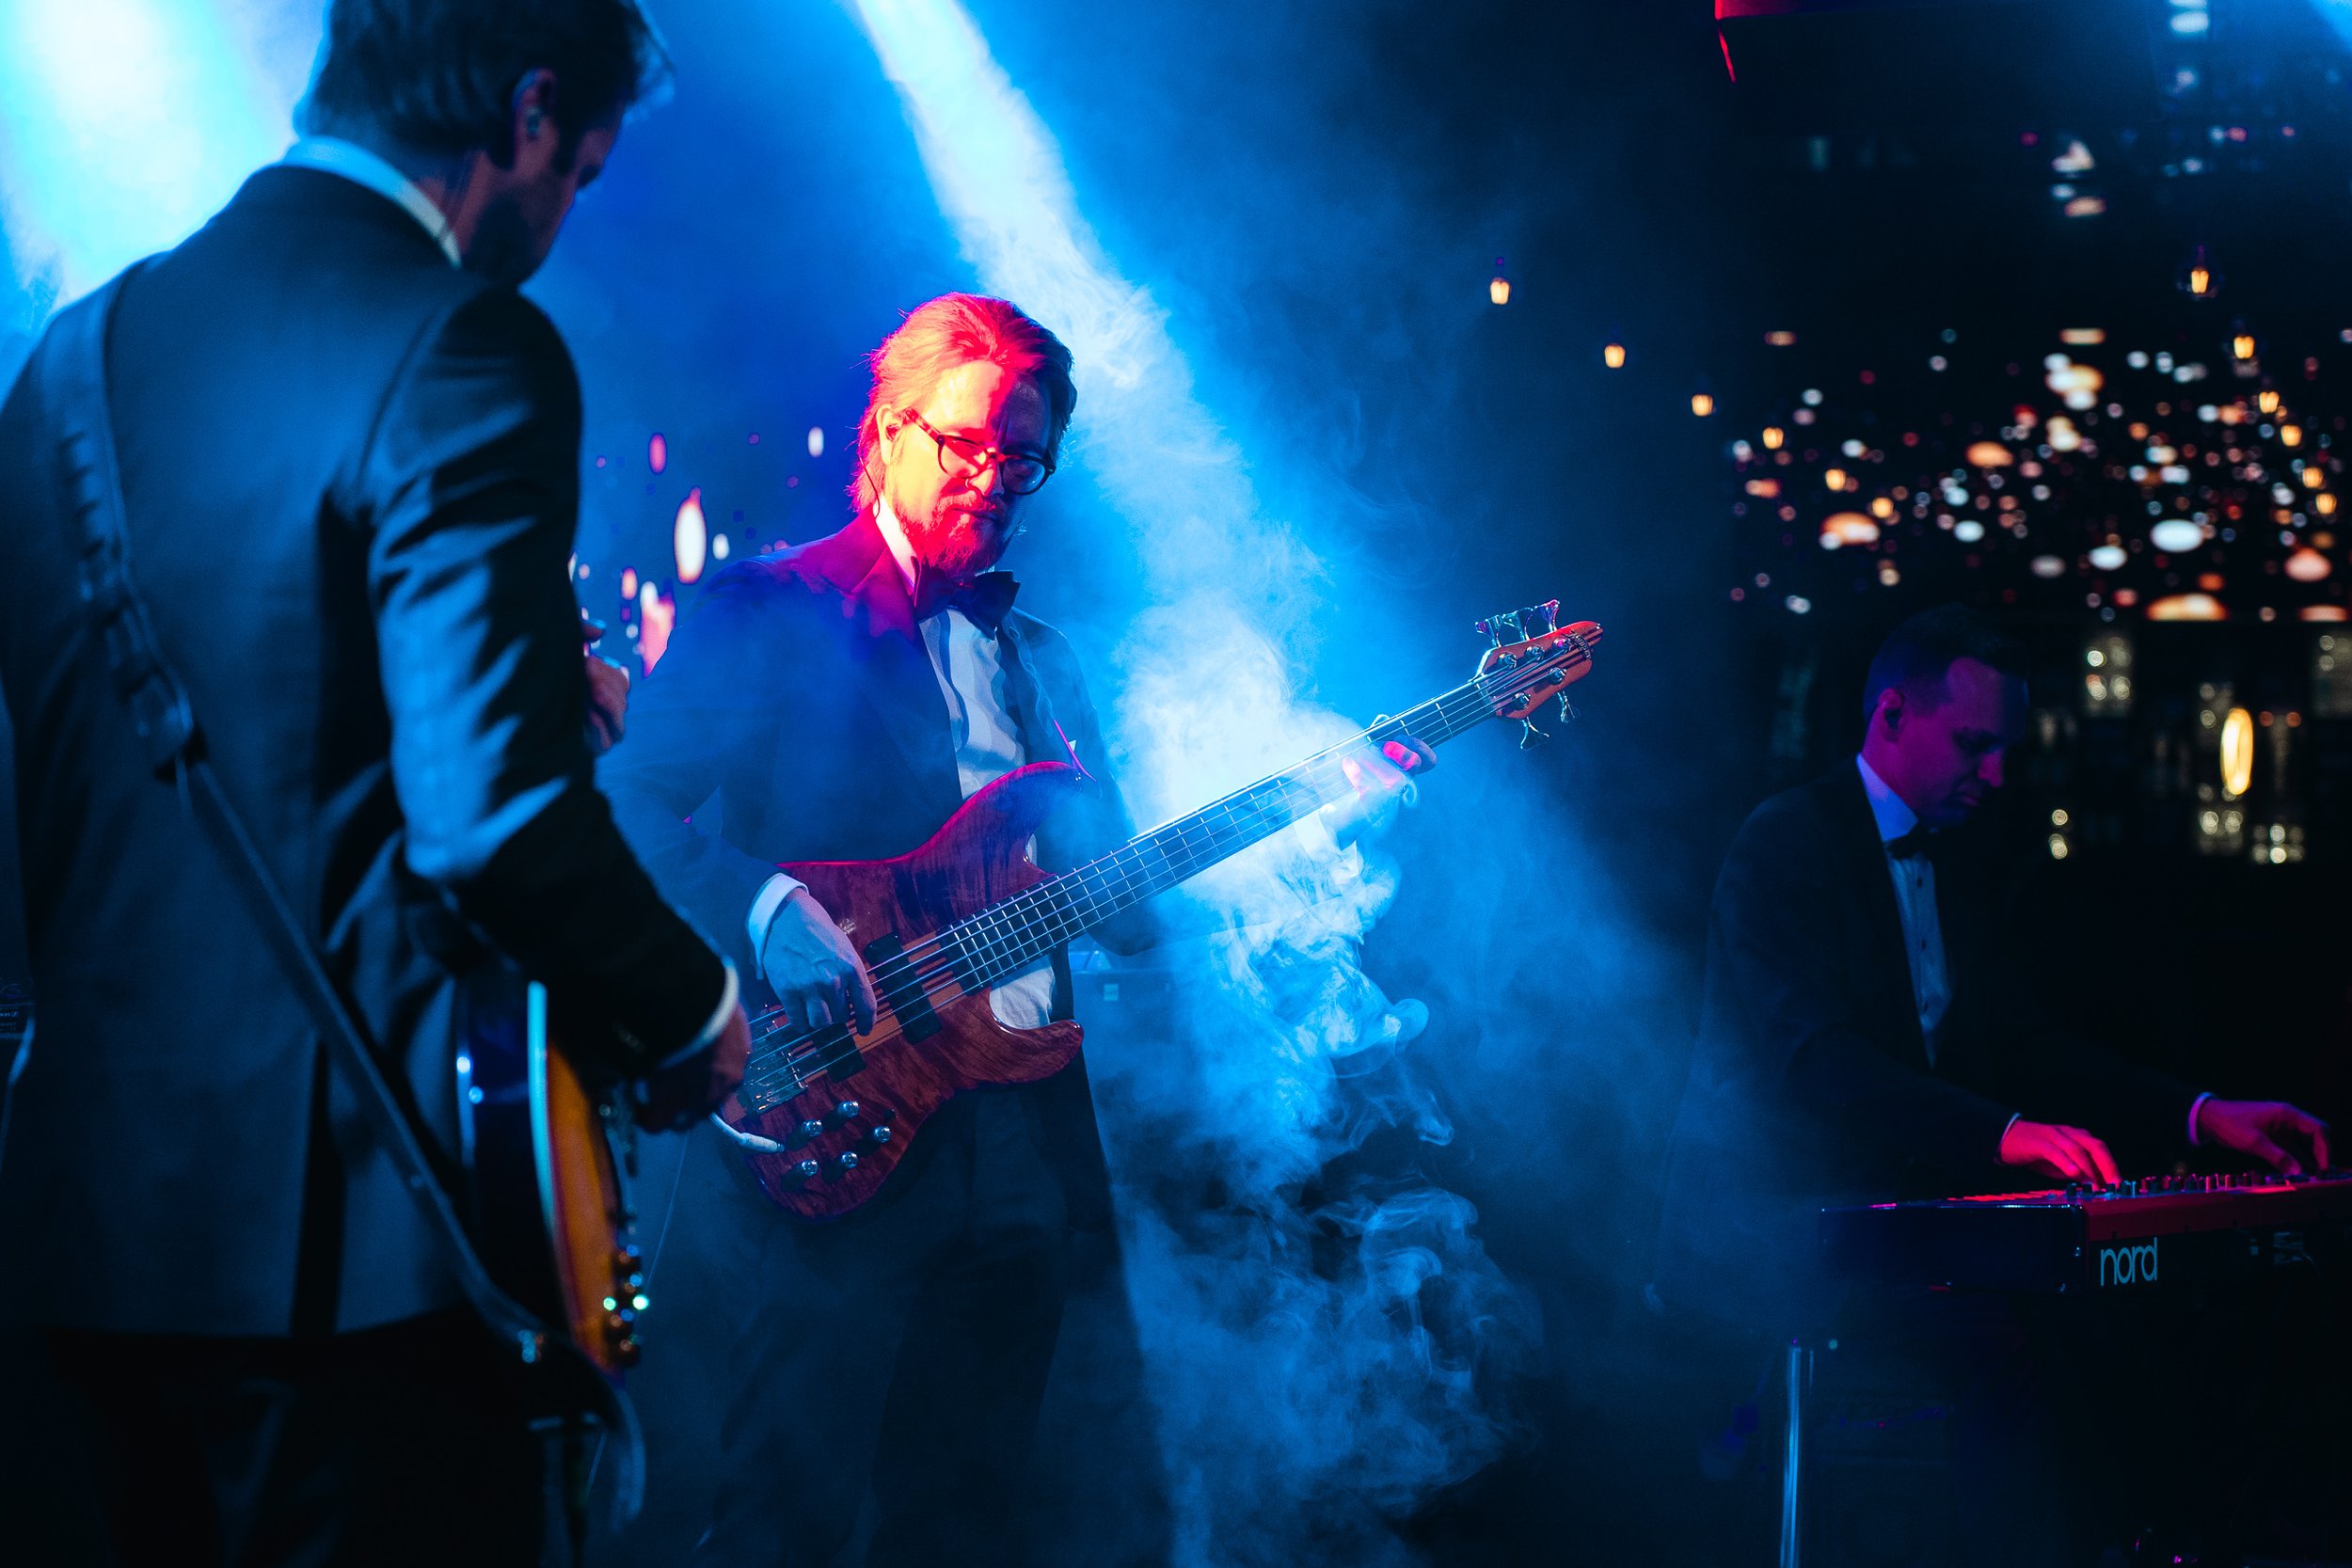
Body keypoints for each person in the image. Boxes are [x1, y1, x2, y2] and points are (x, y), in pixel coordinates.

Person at [0, 2, 750, 1562]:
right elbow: (495, 824)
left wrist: (528, 695)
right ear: (528, 113)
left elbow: (147, 759)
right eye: (584, 172)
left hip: (74, 1244)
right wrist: (691, 1004)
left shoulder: (72, 364)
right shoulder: (465, 345)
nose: (561, 219)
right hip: (358, 1266)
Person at [602, 292, 1426, 1565]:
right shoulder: (768, 611)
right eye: (969, 445)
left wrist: (1308, 807)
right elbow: (621, 799)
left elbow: (1125, 910)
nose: (996, 479)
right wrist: (767, 907)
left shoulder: (1041, 659)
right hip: (843, 1113)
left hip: (1024, 1140)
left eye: (1025, 459)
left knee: (973, 1520)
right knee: (786, 1514)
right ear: (889, 428)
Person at [1653, 603, 2330, 1560]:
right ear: (1891, 715)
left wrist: (2200, 1112)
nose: (1999, 773)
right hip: (1772, 1226)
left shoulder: (1961, 859)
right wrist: (2006, 1134)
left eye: (2005, 747)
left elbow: (2026, 1042)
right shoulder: (1786, 842)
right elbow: (1813, 1062)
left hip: (1895, 1218)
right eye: (1975, 742)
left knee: (2123, 1322)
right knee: (2021, 1344)